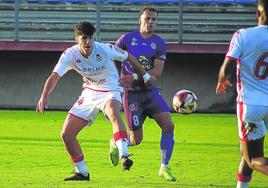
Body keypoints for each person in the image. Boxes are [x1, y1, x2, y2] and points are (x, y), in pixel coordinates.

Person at [36, 21, 153, 181]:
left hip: (111, 88)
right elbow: (55, 76)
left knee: (113, 110)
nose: (88, 41)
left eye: (90, 37)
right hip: (90, 93)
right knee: (66, 134)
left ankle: (124, 155)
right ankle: (82, 173)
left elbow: (129, 56)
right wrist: (44, 96)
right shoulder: (70, 55)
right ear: (76, 38)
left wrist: (145, 76)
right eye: (84, 38)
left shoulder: (104, 49)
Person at [109, 7, 176, 181]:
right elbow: (113, 56)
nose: (151, 22)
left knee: (169, 126)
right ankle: (117, 142)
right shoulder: (127, 39)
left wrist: (134, 76)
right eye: (147, 19)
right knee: (136, 140)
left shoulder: (159, 43)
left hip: (150, 94)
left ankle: (164, 166)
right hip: (132, 96)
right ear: (140, 20)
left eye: (154, 19)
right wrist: (119, 76)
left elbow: (156, 74)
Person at [216, 1, 268, 187]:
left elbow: (227, 66)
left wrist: (222, 80)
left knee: (253, 158)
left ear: (257, 13)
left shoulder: (244, 35)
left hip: (251, 104)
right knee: (245, 152)